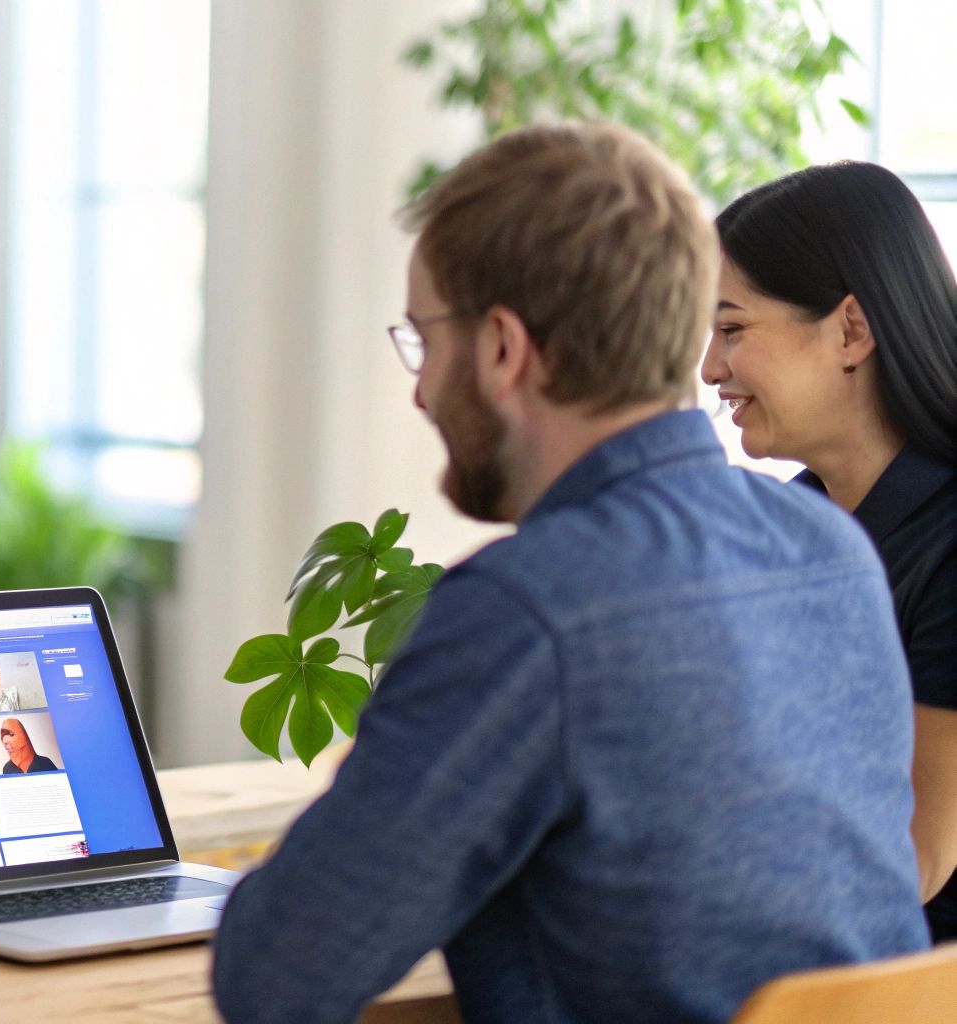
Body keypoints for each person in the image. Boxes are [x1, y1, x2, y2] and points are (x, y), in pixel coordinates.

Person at [211, 123, 928, 1023]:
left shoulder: (527, 610)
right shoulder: (827, 552)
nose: (422, 391)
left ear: (504, 349)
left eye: (424, 342)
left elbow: (274, 979)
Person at [703, 161, 957, 941]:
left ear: (851, 330)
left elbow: (912, 858)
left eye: (733, 329)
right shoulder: (786, 527)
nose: (710, 369)